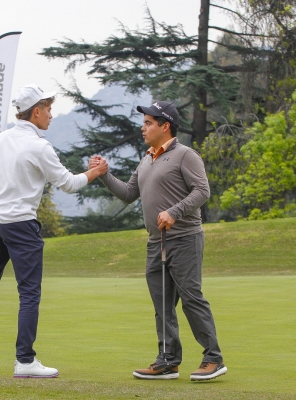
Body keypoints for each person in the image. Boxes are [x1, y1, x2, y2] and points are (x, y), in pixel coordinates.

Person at [0, 84, 108, 378]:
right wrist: (95, 172)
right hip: (21, 225)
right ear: (36, 112)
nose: (51, 115)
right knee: (29, 293)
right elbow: (69, 184)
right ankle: (25, 360)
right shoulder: (39, 146)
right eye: (48, 109)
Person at [89, 101, 226, 381]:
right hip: (156, 243)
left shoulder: (185, 155)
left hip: (185, 239)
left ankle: (213, 358)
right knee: (162, 305)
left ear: (165, 126)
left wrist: (174, 212)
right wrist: (104, 175)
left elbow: (202, 191)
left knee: (191, 298)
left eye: (149, 123)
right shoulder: (147, 159)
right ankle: (168, 361)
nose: (143, 128)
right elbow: (128, 193)